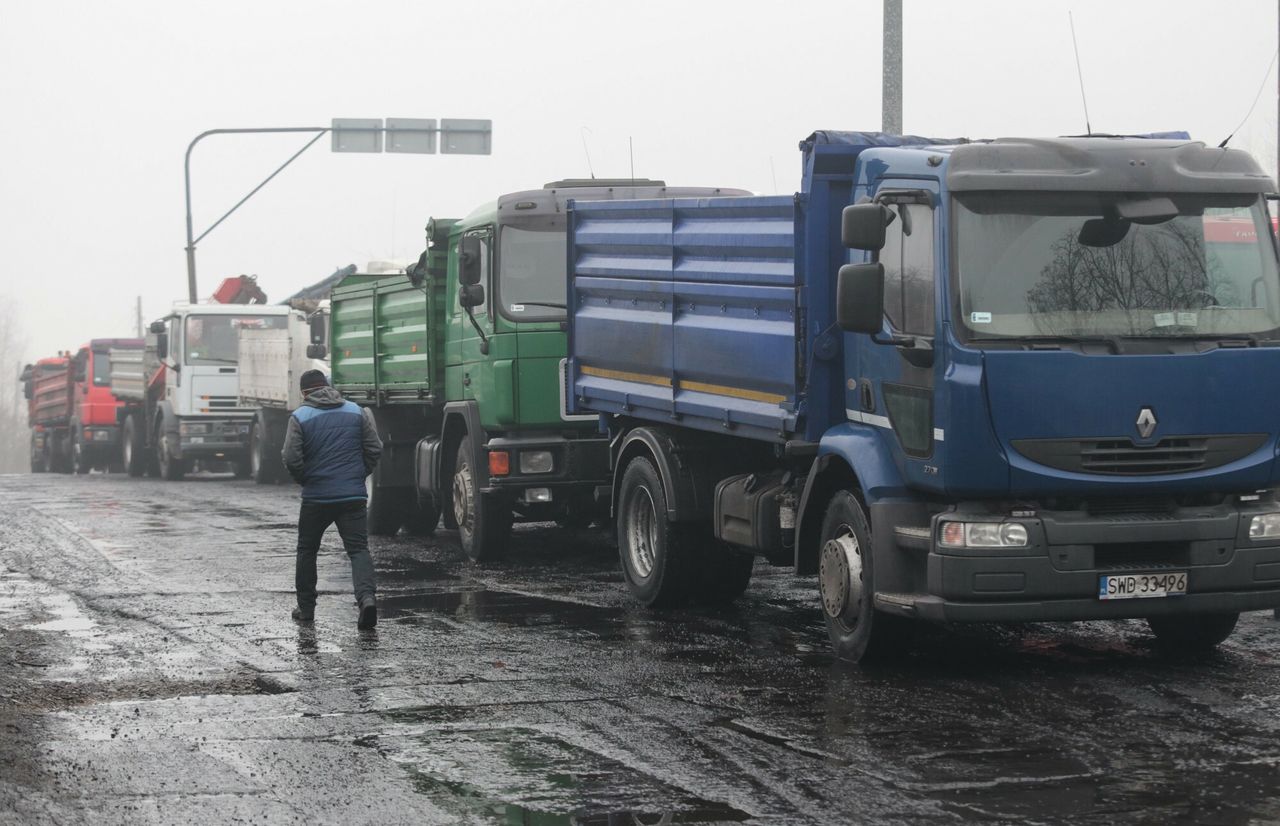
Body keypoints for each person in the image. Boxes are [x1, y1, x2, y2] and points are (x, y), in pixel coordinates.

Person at [282, 369, 383, 629]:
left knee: (307, 550)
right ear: (327, 386)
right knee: (358, 549)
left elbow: (291, 457)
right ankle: (367, 599)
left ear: (304, 392)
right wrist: (358, 474)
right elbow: (374, 448)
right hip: (352, 495)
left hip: (317, 497)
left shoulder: (300, 416)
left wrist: (305, 479)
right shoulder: (355, 411)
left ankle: (306, 610)